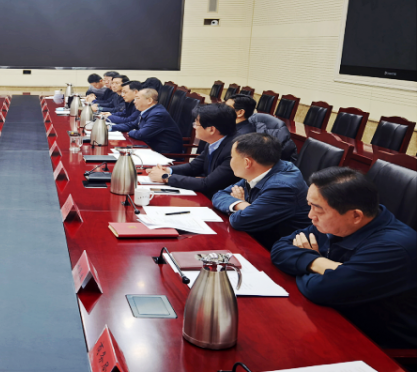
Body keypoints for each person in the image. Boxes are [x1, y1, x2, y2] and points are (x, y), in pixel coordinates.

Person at [271, 167, 417, 349]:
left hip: (380, 345)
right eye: (310, 205)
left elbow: (319, 290)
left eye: (317, 209)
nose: (310, 216)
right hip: (337, 317)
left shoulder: (394, 248)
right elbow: (279, 248)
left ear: (356, 215)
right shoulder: (336, 221)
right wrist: (319, 262)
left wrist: (303, 264)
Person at [212, 133, 311, 249]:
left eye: (232, 157)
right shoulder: (261, 169)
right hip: (259, 236)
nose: (231, 161)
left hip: (279, 248)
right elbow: (219, 195)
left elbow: (240, 221)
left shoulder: (282, 187)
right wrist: (242, 204)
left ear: (247, 162)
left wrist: (246, 210)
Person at [149, 103, 239, 198]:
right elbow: (193, 167)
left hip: (222, 199)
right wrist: (168, 170)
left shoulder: (235, 150)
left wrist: (166, 177)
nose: (194, 127)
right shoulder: (214, 140)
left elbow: (207, 184)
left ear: (211, 130)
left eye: (196, 124)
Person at [111, 88, 183, 154]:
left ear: (149, 101)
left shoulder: (158, 114)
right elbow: (132, 124)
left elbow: (141, 135)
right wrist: (111, 127)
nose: (134, 102)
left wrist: (130, 132)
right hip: (150, 146)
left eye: (137, 98)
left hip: (163, 153)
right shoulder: (148, 110)